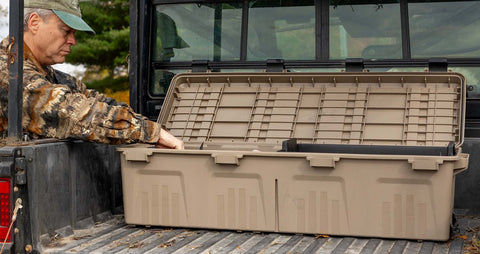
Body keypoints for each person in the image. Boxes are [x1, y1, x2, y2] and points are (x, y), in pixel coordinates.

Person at [0, 0, 184, 149]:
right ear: (34, 22)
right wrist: (151, 132)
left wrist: (157, 129)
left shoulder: (52, 77)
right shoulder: (8, 74)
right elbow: (71, 111)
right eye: (66, 31)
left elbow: (98, 103)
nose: (73, 41)